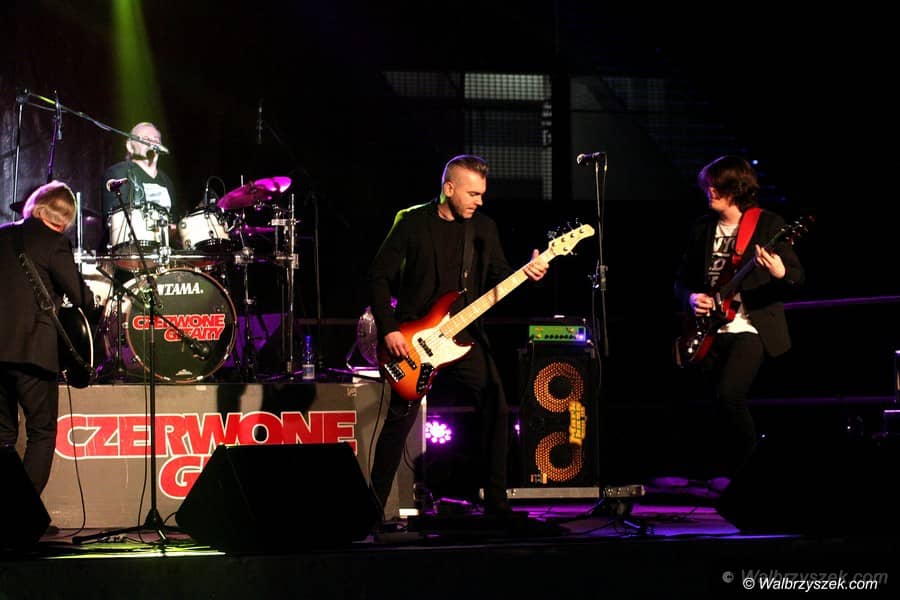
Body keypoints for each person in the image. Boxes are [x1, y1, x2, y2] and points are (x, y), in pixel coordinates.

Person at [366, 154, 549, 520]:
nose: (479, 201)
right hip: (412, 340)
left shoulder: (483, 228)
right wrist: (388, 329)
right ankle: (369, 512)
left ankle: (496, 505)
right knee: (398, 423)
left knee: (497, 407)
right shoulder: (411, 221)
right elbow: (378, 276)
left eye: (482, 194)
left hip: (463, 337)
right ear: (449, 189)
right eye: (472, 194)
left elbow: (500, 277)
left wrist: (528, 274)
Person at [674, 155, 805, 485]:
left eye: (717, 186)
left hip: (750, 326)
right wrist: (692, 298)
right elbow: (681, 281)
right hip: (709, 330)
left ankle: (751, 478)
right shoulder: (703, 228)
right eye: (708, 186)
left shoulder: (768, 224)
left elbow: (796, 276)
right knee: (708, 405)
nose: (710, 191)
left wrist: (779, 270)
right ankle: (719, 474)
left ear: (736, 188)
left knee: (729, 395)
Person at [0, 180, 95, 495]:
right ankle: (19, 515)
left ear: (36, 205)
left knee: (3, 436)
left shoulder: (3, 234)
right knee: (41, 432)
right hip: (32, 349)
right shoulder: (54, 242)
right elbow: (80, 297)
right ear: (65, 218)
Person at [100, 121, 181, 259]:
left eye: (156, 139)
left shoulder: (167, 181)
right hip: (130, 255)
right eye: (145, 139)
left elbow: (173, 220)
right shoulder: (118, 173)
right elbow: (114, 220)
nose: (152, 142)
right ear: (130, 146)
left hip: (163, 254)